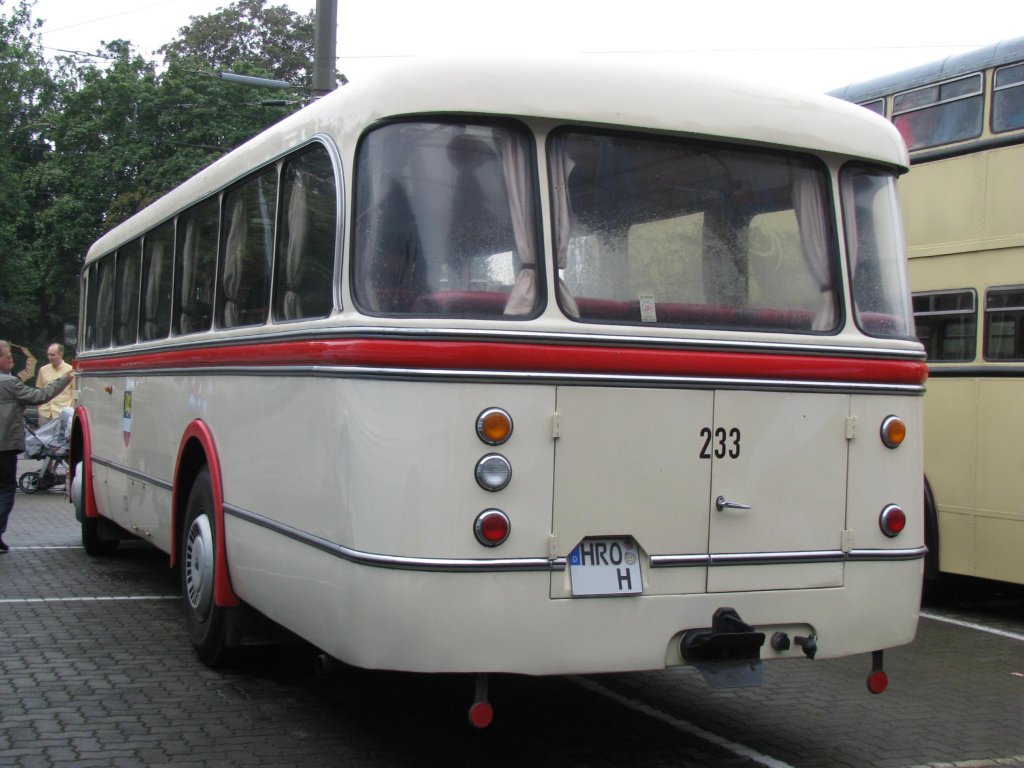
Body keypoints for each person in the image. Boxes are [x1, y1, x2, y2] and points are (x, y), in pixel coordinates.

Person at [0, 339, 74, 552]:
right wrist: (65, 380)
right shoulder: (10, 383)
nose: (12, 359)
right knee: (5, 488)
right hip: (5, 447)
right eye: (8, 356)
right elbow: (40, 396)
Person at [35, 343, 74, 424]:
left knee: (61, 436)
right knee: (42, 436)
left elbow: (74, 393)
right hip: (44, 413)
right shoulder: (43, 370)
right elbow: (39, 390)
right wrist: (39, 408)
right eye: (48, 355)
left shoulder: (70, 370)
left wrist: (71, 410)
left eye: (52, 355)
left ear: (61, 354)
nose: (49, 357)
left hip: (62, 413)